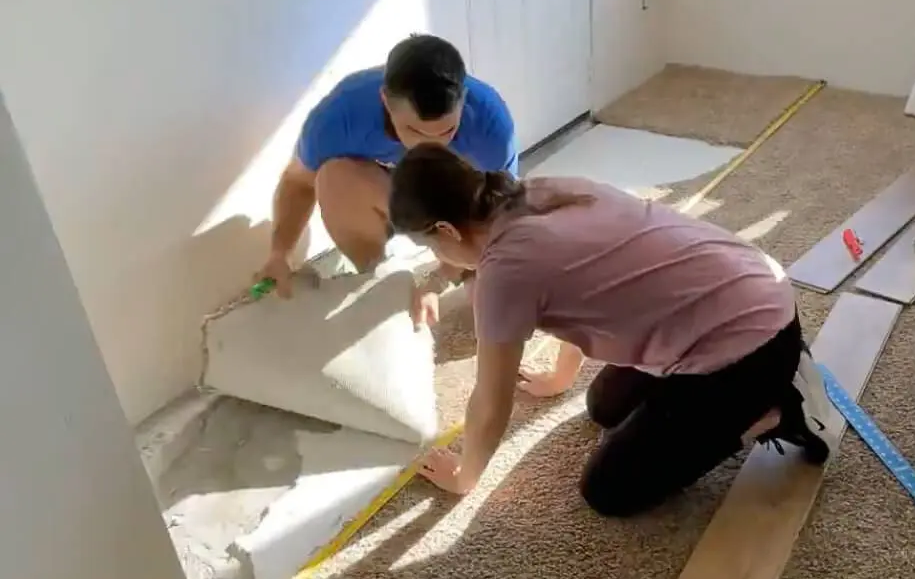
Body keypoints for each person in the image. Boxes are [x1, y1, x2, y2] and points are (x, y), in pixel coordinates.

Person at [387, 146, 829, 518]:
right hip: (753, 288)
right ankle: (757, 379)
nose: (435, 255)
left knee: (610, 491)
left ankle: (777, 407)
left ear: (445, 228)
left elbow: (491, 399)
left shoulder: (503, 271)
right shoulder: (539, 192)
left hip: (749, 348)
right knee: (603, 407)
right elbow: (574, 294)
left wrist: (465, 476)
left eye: (429, 246)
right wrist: (561, 379)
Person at [255, 35, 517, 301]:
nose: (432, 144)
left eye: (448, 129)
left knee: (491, 289)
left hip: (453, 208)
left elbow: (502, 216)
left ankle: (462, 272)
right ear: (385, 100)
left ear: (464, 99)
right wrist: (280, 253)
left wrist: (440, 279)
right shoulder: (340, 117)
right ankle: (376, 277)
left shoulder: (490, 125)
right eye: (413, 130)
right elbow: (298, 183)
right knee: (333, 178)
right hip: (388, 195)